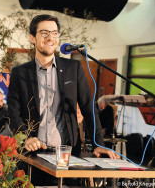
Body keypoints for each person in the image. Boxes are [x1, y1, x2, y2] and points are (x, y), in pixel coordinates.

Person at [7, 14, 118, 185]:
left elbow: (88, 107)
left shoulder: (73, 68)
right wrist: (26, 137)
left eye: (54, 32)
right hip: (33, 154)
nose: (50, 37)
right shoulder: (20, 73)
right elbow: (13, 112)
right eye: (44, 33)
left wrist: (98, 143)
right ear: (32, 38)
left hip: (67, 154)